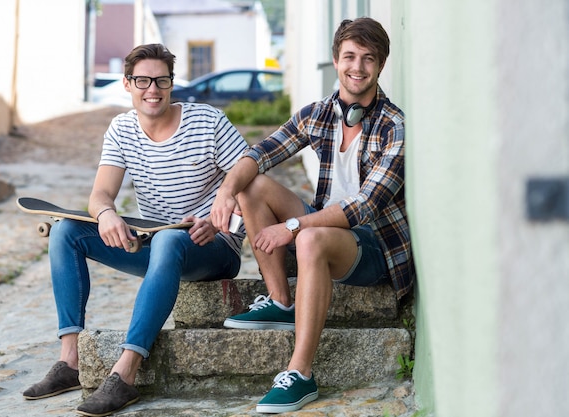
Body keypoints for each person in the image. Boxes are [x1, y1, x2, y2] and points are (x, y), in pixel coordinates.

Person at [22, 43, 248, 416]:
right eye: (142, 80)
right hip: (158, 242)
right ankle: (70, 361)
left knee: (171, 240)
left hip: (213, 247)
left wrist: (223, 221)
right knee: (65, 232)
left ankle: (125, 373)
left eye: (161, 80)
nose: (152, 89)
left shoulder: (208, 122)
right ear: (127, 84)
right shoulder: (122, 129)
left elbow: (251, 181)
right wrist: (107, 214)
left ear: (172, 84)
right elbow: (100, 195)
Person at [211, 17, 415, 414]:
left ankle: (300, 374)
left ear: (381, 65)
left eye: (368, 59)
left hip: (373, 245)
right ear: (336, 60)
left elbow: (364, 206)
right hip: (323, 227)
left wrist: (293, 226)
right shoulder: (319, 114)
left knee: (308, 236)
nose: (358, 67)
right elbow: (260, 153)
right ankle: (281, 300)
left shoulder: (394, 125)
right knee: (251, 185)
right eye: (350, 56)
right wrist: (226, 191)